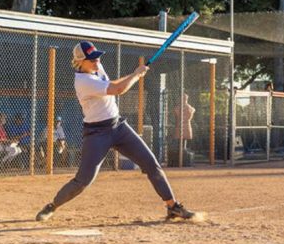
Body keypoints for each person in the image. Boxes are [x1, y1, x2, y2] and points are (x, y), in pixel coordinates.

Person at [35, 41, 198, 222]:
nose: (96, 61)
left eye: (97, 57)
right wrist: (136, 76)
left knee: (151, 164)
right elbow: (117, 89)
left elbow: (112, 83)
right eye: (91, 59)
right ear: (80, 62)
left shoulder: (96, 69)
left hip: (118, 127)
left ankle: (172, 207)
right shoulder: (83, 81)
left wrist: (134, 74)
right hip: (97, 134)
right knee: (83, 181)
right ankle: (53, 206)